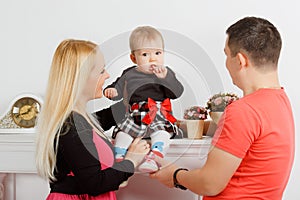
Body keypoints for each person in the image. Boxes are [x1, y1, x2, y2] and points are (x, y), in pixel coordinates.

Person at [150, 16, 295, 199]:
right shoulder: (280, 102)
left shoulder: (243, 111)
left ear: (240, 60)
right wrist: (178, 124)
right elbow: (245, 139)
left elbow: (209, 184)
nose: (226, 62)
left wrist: (175, 175)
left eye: (226, 55)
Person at [35, 39, 150, 200]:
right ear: (80, 77)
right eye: (102, 71)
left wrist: (132, 99)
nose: (108, 75)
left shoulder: (80, 119)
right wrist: (131, 160)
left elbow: (104, 118)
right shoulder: (70, 126)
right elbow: (95, 183)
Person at [103, 26, 184, 172]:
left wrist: (165, 78)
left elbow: (177, 92)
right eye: (145, 54)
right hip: (136, 116)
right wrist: (112, 91)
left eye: (158, 53)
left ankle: (154, 157)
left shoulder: (166, 73)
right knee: (123, 133)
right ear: (134, 58)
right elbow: (118, 90)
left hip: (158, 114)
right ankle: (119, 157)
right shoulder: (129, 74)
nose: (153, 59)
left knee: (163, 133)